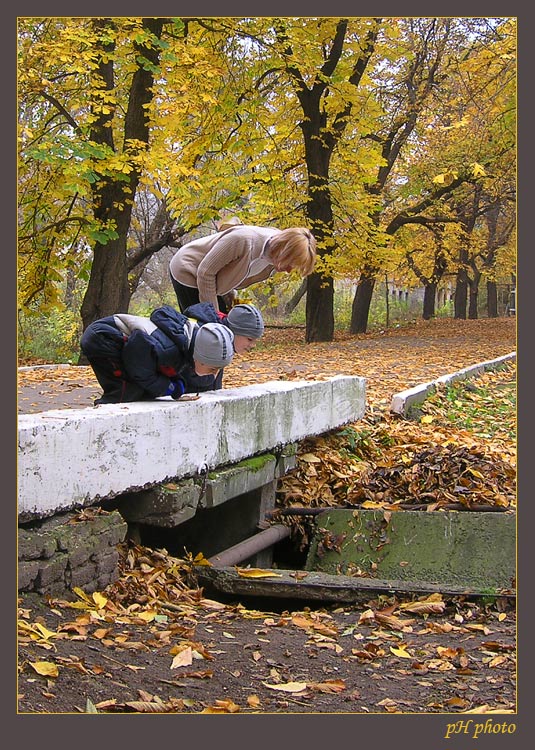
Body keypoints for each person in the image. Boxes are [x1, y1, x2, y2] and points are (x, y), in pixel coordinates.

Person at [80, 305, 234, 405]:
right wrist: (168, 387)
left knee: (145, 392)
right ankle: (104, 418)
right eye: (213, 368)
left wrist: (174, 383)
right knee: (126, 392)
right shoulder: (167, 347)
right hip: (103, 339)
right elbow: (138, 368)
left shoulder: (185, 345)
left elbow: (164, 366)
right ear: (200, 356)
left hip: (126, 346)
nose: (215, 374)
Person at [169, 223, 317, 313]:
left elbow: (230, 273)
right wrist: (211, 319)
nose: (289, 270)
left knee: (222, 337)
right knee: (201, 335)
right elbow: (206, 273)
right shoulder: (242, 240)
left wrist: (231, 300)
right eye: (290, 263)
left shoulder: (273, 255)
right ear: (284, 250)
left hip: (210, 279)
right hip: (188, 270)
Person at [183, 301, 265, 389]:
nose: (253, 345)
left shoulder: (221, 339)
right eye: (250, 339)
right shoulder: (210, 339)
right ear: (234, 331)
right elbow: (189, 377)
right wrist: (210, 378)